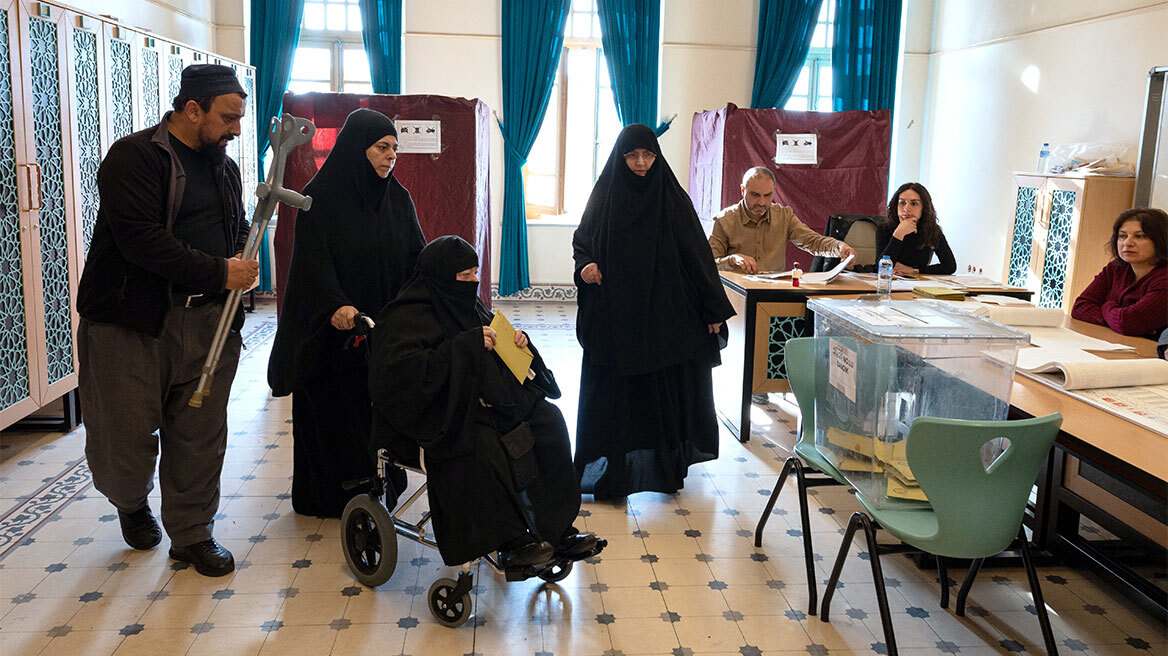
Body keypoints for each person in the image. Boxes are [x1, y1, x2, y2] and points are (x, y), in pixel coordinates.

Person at [77, 64, 256, 577]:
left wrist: (243, 249)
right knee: (124, 436)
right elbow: (141, 240)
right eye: (228, 118)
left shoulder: (223, 167)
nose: (235, 129)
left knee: (200, 433)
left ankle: (193, 533)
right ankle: (130, 501)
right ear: (192, 109)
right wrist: (221, 270)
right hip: (132, 324)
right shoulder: (134, 158)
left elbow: (232, 224)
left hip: (207, 321)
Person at [368, 236, 603, 569]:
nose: (473, 281)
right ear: (441, 276)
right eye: (464, 276)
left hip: (486, 402)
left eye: (476, 273)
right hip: (438, 414)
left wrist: (521, 344)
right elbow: (401, 378)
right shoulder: (404, 318)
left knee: (547, 420)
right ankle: (510, 541)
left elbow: (500, 354)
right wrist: (464, 347)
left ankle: (557, 529)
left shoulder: (470, 306)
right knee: (483, 443)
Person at [268, 109, 426, 518]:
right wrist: (335, 304)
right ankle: (329, 497)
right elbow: (311, 265)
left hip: (379, 331)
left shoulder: (398, 198)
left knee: (375, 410)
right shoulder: (319, 198)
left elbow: (417, 256)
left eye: (394, 148)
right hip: (333, 333)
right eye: (382, 147)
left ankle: (377, 492)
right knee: (334, 413)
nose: (391, 156)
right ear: (358, 148)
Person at [573, 124, 735, 499]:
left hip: (663, 318)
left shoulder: (671, 198)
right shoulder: (605, 195)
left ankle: (663, 470)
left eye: (648, 155)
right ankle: (612, 472)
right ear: (621, 157)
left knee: (660, 396)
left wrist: (712, 308)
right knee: (616, 398)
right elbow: (582, 240)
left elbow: (697, 256)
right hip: (616, 317)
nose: (641, 162)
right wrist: (585, 266)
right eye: (632, 155)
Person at [708, 166, 856, 274]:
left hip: (773, 292)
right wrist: (732, 260)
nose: (761, 202)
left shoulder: (784, 216)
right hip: (736, 293)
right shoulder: (724, 220)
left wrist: (839, 247)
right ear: (742, 190)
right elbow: (709, 265)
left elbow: (812, 241)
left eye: (767, 195)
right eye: (755, 195)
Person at [1071, 207, 1167, 339]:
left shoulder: (1164, 278)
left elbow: (1127, 323)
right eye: (1122, 236)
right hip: (1116, 341)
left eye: (1139, 236)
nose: (1127, 243)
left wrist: (1107, 305)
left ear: (1161, 240)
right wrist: (1117, 317)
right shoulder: (1116, 268)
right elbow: (1080, 307)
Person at [881, 182, 957, 275]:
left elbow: (950, 266)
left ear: (923, 208)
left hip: (916, 281)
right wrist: (898, 234)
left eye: (913, 203)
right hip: (888, 281)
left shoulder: (932, 230)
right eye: (902, 203)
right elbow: (879, 267)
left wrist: (914, 270)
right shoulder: (884, 228)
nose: (906, 209)